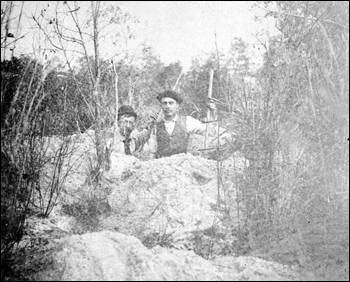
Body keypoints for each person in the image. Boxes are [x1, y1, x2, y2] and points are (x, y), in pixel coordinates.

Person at [153, 90, 231, 159]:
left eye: (171, 103)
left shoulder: (187, 121)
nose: (168, 106)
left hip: (180, 165)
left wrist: (213, 113)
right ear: (161, 106)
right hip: (161, 166)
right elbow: (150, 150)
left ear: (177, 106)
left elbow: (210, 132)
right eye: (164, 103)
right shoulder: (155, 126)